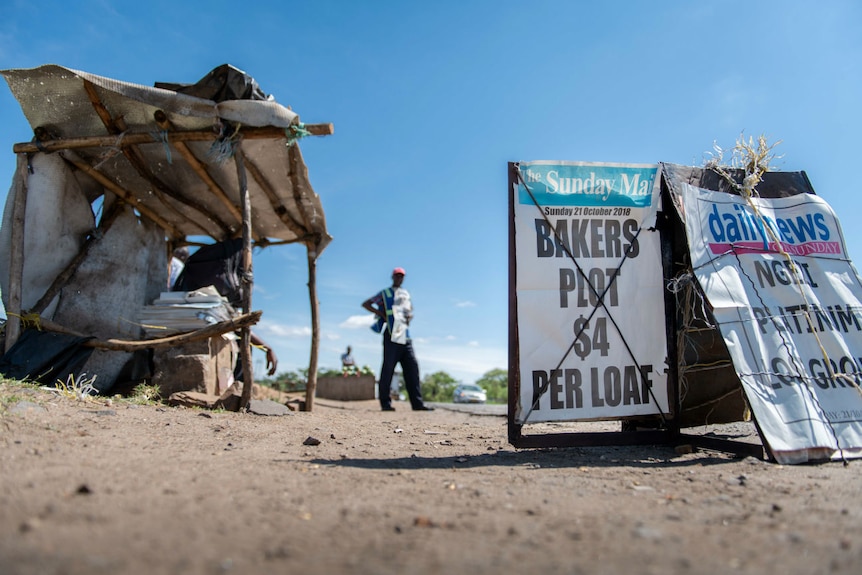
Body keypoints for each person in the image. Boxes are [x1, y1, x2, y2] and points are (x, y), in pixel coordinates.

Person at [362, 267, 434, 411]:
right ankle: (385, 404)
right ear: (392, 277)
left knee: (412, 369)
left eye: (401, 276)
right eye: (397, 276)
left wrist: (410, 316)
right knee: (388, 369)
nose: (399, 278)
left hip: (405, 336)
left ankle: (417, 404)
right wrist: (380, 313)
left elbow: (409, 310)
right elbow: (366, 304)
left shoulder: (405, 294)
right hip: (390, 335)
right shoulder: (385, 293)